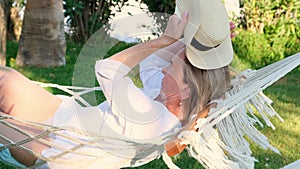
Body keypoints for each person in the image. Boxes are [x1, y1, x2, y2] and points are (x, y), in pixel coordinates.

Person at [0, 0, 234, 168]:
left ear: (184, 89)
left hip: (47, 146)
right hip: (61, 122)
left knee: (4, 81)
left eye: (170, 67)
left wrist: (165, 40)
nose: (163, 69)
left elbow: (107, 69)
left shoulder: (150, 115)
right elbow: (151, 64)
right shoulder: (167, 102)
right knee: (6, 79)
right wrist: (201, 45)